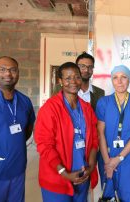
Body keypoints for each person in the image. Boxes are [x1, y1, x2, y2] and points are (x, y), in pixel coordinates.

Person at [34, 62, 98, 201]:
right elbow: (44, 145)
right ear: (60, 81)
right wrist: (64, 173)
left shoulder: (87, 108)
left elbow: (94, 140)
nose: (73, 82)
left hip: (83, 176)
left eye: (77, 77)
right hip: (57, 179)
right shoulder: (50, 109)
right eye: (68, 78)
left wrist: (91, 167)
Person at [0, 56, 35, 202]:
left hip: (17, 172)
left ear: (18, 73)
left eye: (12, 70)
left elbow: (26, 131)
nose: (8, 74)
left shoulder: (24, 101)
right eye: (2, 70)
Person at [96, 65, 130, 201]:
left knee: (127, 196)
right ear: (112, 81)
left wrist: (118, 159)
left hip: (127, 159)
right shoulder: (103, 103)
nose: (119, 81)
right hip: (106, 157)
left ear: (129, 80)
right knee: (109, 197)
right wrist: (108, 162)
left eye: (123, 77)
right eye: (115, 78)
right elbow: (100, 133)